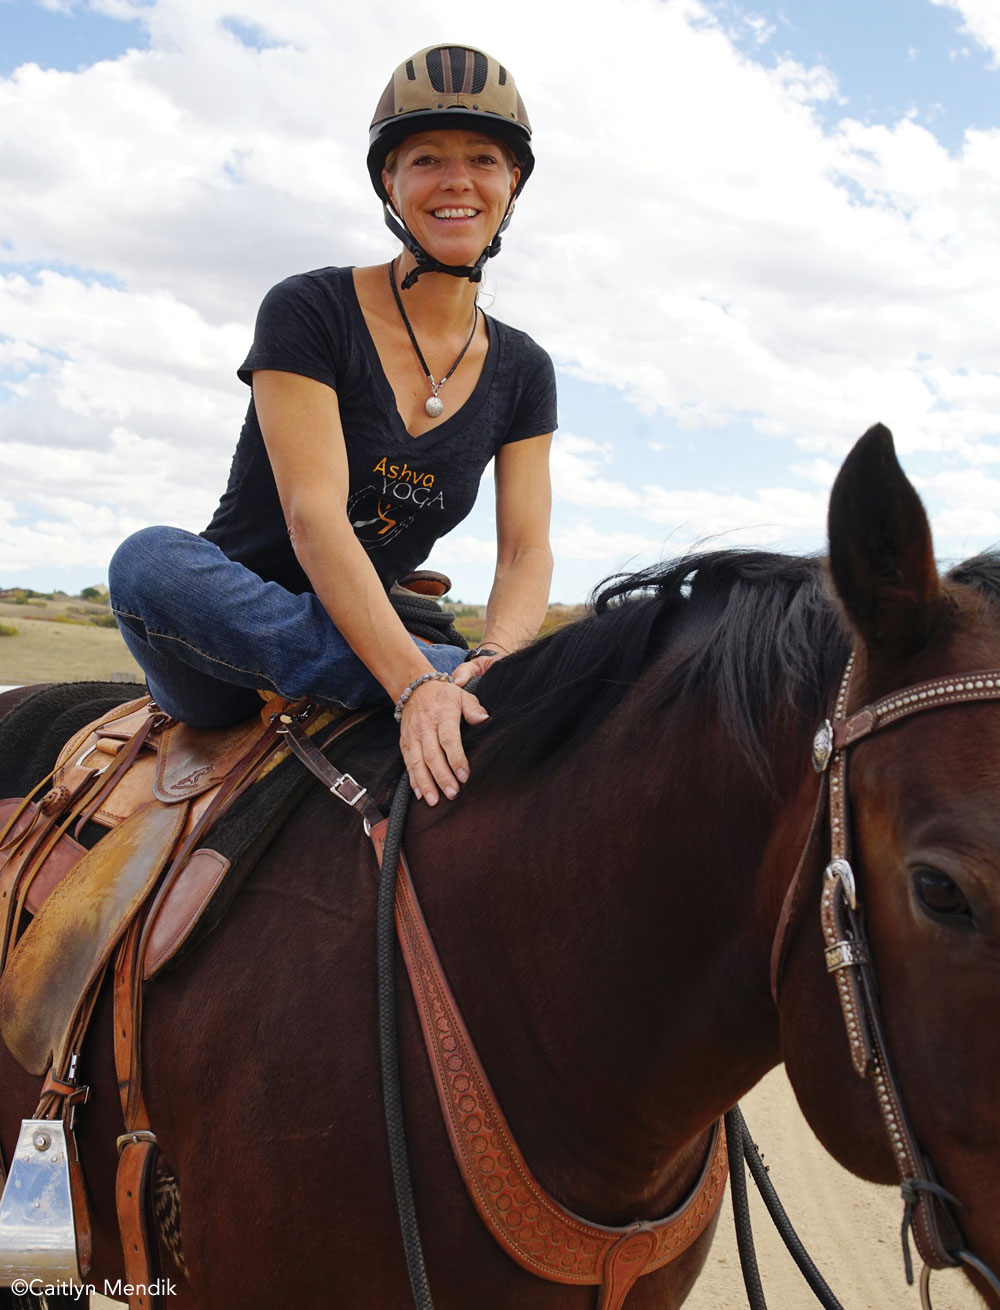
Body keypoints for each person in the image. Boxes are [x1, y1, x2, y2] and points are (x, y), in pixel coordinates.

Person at [108, 44, 556, 808]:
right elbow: (313, 516)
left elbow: (523, 551)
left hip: (381, 621)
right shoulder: (309, 309)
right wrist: (421, 679)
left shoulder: (525, 369)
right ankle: (418, 674)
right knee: (149, 564)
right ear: (390, 181)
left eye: (485, 158)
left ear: (512, 184)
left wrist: (497, 661)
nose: (458, 181)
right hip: (230, 630)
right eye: (427, 160)